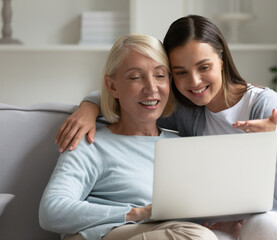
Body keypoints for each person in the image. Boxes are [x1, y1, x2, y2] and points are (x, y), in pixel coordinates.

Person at [54, 15, 277, 240]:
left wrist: (273, 144)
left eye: (203, 67)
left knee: (259, 225)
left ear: (221, 59)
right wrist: (89, 107)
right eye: (180, 73)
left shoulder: (263, 104)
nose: (193, 82)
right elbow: (132, 101)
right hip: (217, 228)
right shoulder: (186, 113)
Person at [39, 34, 219, 240]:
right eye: (135, 77)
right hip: (104, 234)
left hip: (168, 231)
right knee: (196, 236)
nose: (151, 88)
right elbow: (51, 211)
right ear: (112, 86)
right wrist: (136, 214)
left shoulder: (182, 147)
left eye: (160, 76)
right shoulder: (91, 143)